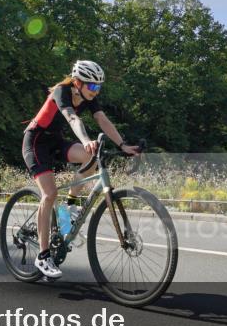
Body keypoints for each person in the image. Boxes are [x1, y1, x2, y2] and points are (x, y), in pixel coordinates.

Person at [22, 60, 140, 279]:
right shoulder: (61, 91)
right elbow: (72, 117)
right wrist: (86, 139)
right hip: (35, 142)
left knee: (92, 156)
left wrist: (122, 145)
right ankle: (43, 255)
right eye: (93, 87)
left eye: (99, 87)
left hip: (56, 141)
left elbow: (102, 119)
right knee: (49, 194)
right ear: (77, 82)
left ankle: (71, 205)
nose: (96, 91)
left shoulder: (88, 98)